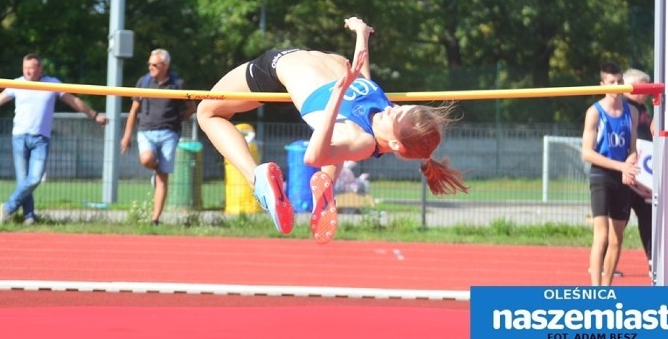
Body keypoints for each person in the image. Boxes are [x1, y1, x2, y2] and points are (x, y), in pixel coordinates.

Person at [196, 16, 467, 244]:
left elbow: (313, 157)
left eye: (395, 116)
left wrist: (338, 93)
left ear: (396, 144)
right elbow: (363, 74)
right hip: (312, 71)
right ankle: (327, 185)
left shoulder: (359, 139)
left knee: (207, 112)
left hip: (281, 66)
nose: (391, 108)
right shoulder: (379, 115)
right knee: (337, 150)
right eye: (398, 107)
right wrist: (362, 36)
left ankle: (258, 181)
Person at [0, 54, 108, 225]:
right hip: (19, 138)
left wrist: (94, 115)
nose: (28, 71)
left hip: (41, 139)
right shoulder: (17, 83)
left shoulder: (53, 84)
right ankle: (29, 216)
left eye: (32, 67)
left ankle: (8, 207)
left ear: (40, 69)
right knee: (24, 180)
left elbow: (73, 100)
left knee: (35, 178)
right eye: (25, 67)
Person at [120, 48, 196, 225]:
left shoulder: (178, 83)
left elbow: (192, 108)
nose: (150, 67)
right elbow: (134, 110)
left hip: (169, 133)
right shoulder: (144, 81)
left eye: (154, 64)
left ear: (165, 65)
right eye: (149, 64)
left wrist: (177, 120)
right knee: (146, 159)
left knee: (163, 177)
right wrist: (127, 135)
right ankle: (155, 168)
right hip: (146, 131)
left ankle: (155, 219)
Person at [581, 62, 639, 286]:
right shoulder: (594, 112)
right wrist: (620, 166)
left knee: (617, 238)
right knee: (602, 235)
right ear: (602, 84)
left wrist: (630, 162)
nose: (617, 86)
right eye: (612, 82)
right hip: (602, 176)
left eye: (620, 81)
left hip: (622, 177)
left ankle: (606, 287)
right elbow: (587, 153)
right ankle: (595, 289)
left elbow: (633, 149)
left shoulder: (631, 111)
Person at [622, 67, 654, 274]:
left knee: (648, 217)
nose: (648, 91)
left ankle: (653, 260)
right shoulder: (622, 107)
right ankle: (604, 263)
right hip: (625, 171)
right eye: (644, 86)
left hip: (644, 172)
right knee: (618, 221)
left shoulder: (644, 109)